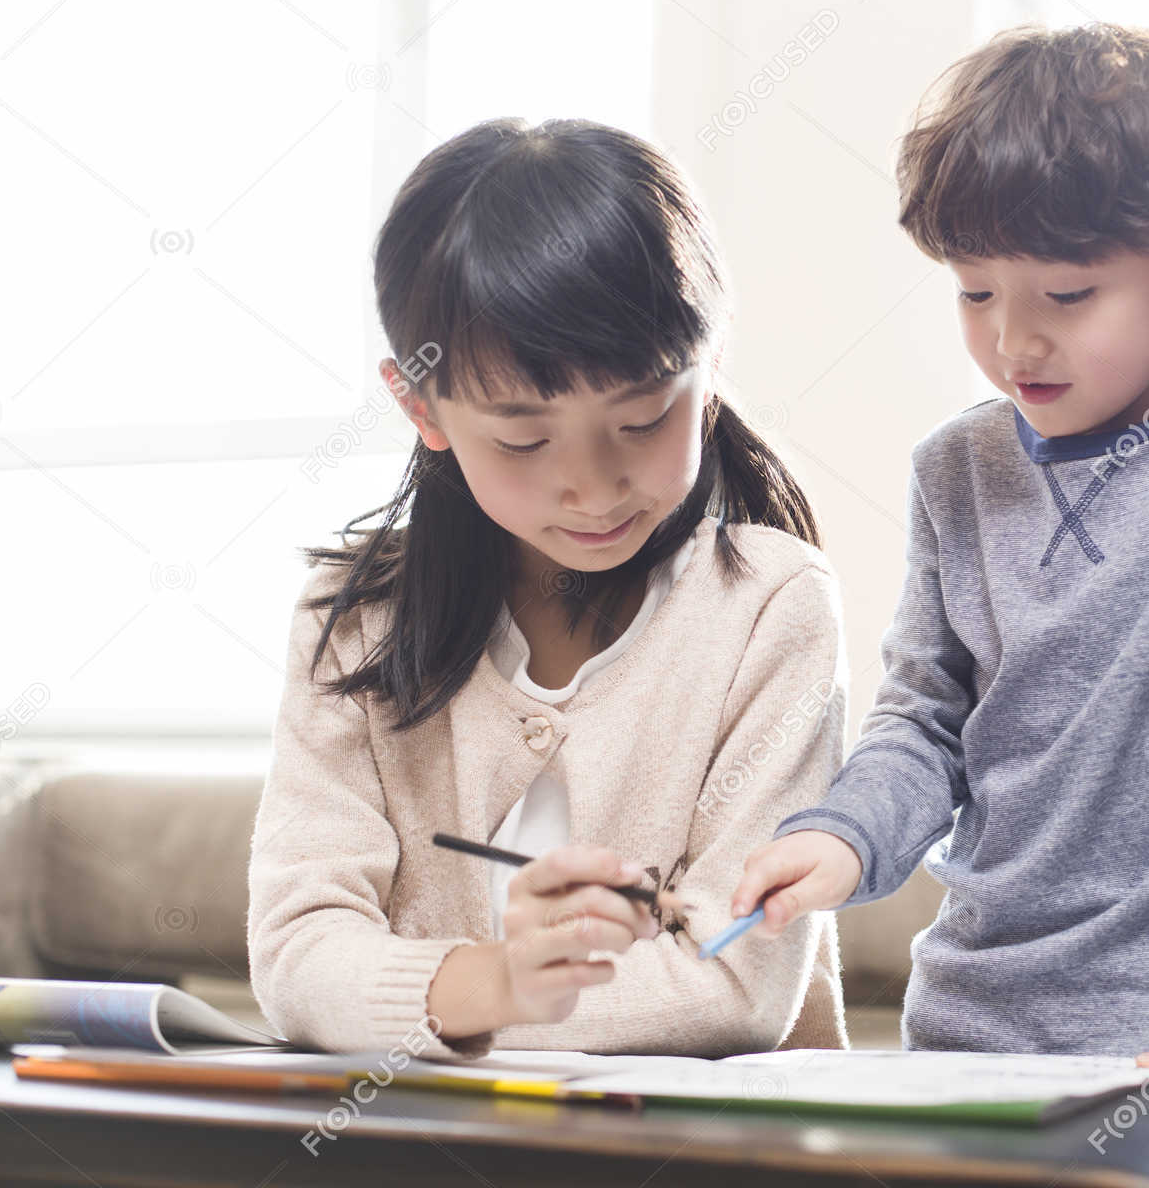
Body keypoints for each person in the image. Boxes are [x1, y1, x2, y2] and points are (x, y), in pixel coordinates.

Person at [731, 24, 1149, 1147]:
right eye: (976, 292)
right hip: (966, 1037)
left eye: (1069, 293)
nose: (1012, 340)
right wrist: (843, 837)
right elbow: (925, 726)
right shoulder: (955, 467)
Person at [248, 117, 847, 1061]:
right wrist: (499, 984)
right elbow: (296, 952)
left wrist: (488, 998)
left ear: (714, 365)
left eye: (645, 418)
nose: (594, 486)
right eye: (524, 440)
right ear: (420, 406)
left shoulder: (769, 607)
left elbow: (735, 982)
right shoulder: (352, 620)